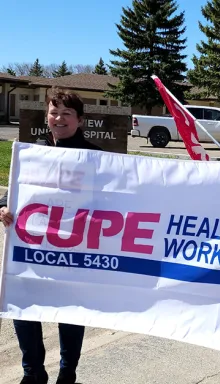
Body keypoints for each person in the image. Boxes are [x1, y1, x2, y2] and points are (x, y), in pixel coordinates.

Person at [0, 87, 101, 384]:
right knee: (23, 305)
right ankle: (33, 372)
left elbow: (111, 204)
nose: (59, 118)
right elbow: (12, 195)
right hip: (32, 248)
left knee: (71, 312)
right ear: (46, 116)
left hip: (74, 249)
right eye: (54, 112)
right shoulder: (31, 154)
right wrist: (4, 207)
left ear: (80, 120)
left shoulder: (94, 158)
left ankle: (67, 374)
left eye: (67, 114)